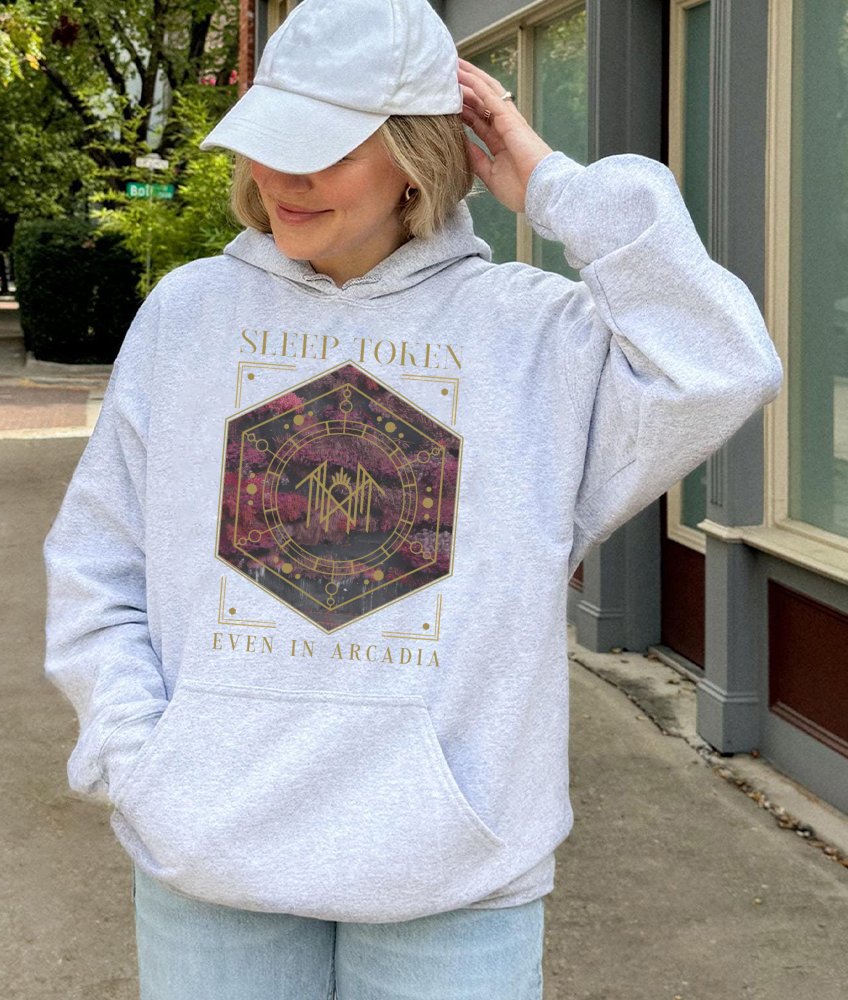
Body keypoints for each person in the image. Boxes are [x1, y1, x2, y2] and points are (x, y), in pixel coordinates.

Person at [43, 0, 782, 997]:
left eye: (328, 149)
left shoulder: (533, 337)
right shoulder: (189, 316)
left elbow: (721, 366)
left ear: (415, 159)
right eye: (271, 141)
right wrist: (140, 761)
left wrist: (556, 189)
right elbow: (99, 563)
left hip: (452, 879)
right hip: (208, 855)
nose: (286, 177)